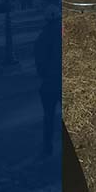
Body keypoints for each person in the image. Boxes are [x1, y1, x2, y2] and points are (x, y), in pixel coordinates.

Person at [34, 17, 56, 156]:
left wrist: (44, 76)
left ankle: (47, 148)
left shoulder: (42, 37)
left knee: (48, 117)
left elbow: (38, 60)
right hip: (57, 82)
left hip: (48, 84)